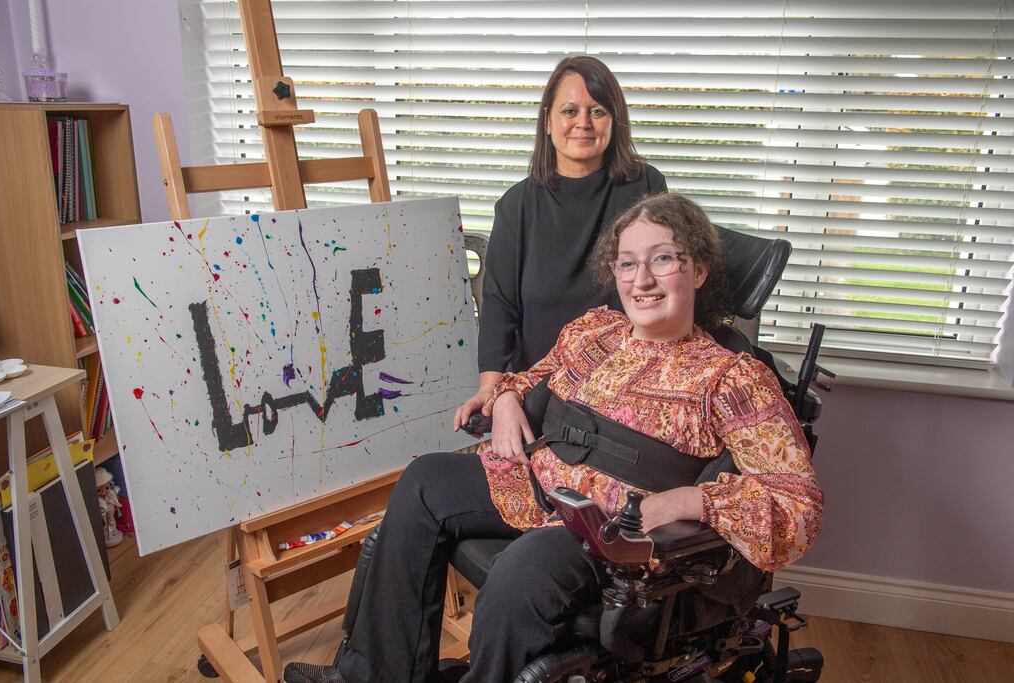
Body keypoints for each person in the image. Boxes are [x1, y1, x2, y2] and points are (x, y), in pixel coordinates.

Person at [285, 194, 823, 683]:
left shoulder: (733, 379)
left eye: (663, 259)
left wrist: (685, 501)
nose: (643, 280)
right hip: (537, 484)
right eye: (628, 263)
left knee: (524, 572)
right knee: (425, 480)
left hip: (612, 536)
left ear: (699, 270)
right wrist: (506, 401)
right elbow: (531, 379)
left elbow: (797, 508)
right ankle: (370, 676)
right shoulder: (595, 332)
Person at [453, 55, 668, 433]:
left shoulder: (645, 188)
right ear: (548, 121)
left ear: (614, 122)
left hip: (624, 390)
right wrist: (490, 387)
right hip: (540, 390)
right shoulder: (517, 205)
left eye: (597, 111)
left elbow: (663, 289)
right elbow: (501, 304)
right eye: (570, 110)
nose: (583, 123)